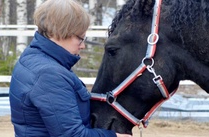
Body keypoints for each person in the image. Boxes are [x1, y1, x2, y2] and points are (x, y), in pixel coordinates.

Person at [9, 0, 131, 137]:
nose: (83, 46)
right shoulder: (49, 74)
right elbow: (72, 135)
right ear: (62, 32)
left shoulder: (33, 57)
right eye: (80, 38)